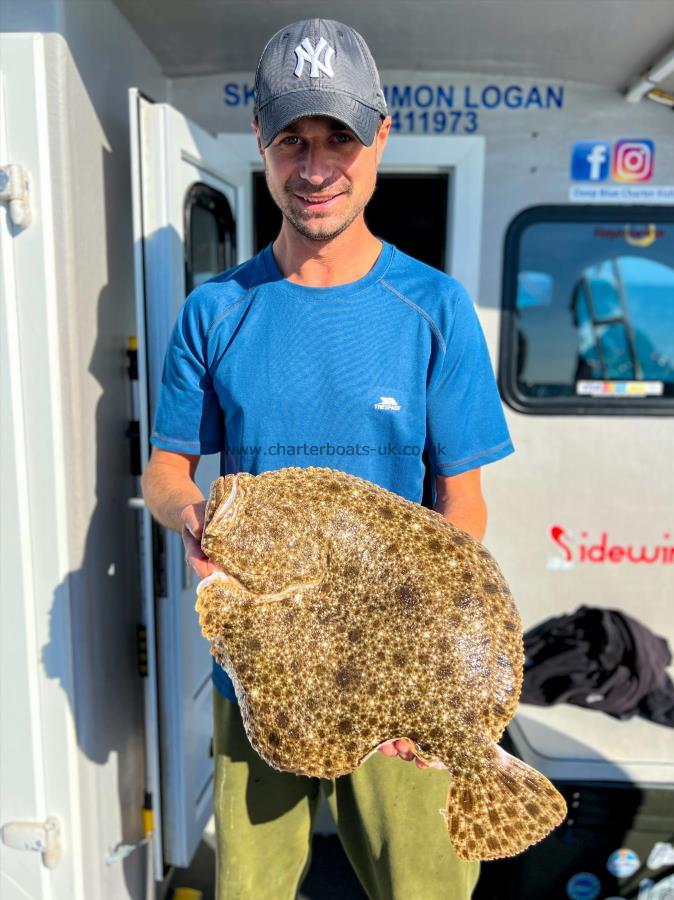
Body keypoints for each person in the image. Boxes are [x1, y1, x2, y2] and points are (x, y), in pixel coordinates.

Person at [141, 17, 514, 900]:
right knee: (253, 890)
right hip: (259, 670)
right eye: (292, 140)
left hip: (400, 679)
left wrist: (432, 649)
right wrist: (187, 512)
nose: (314, 169)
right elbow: (165, 469)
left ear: (381, 137)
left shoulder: (436, 307)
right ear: (260, 146)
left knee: (421, 890)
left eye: (338, 137)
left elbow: (464, 505)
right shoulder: (214, 311)